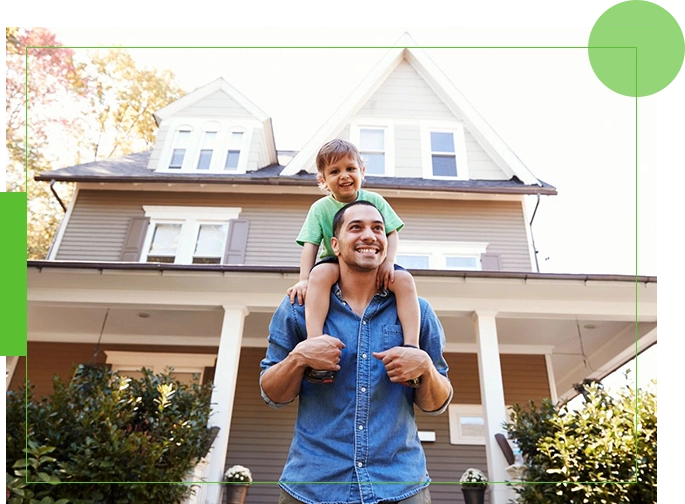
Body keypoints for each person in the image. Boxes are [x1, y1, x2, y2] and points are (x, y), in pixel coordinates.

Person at [261, 200, 454, 504]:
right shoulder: (298, 309)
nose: (370, 235)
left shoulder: (417, 311)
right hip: (313, 486)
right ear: (335, 245)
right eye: (356, 227)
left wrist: (425, 368)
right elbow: (272, 394)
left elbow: (438, 402)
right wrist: (300, 357)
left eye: (377, 228)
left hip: (400, 487)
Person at [287, 139, 421, 385]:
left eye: (350, 168)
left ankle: (411, 346)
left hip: (373, 260)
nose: (344, 176)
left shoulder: (375, 200)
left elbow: (391, 233)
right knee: (320, 276)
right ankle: (315, 344)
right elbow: (311, 245)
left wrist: (389, 261)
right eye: (334, 172)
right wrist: (304, 279)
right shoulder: (320, 208)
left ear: (362, 171)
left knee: (403, 279)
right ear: (323, 180)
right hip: (335, 260)